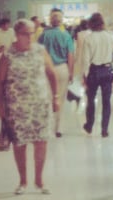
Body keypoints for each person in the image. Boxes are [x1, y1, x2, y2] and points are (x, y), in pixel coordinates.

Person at [0, 18, 59, 195]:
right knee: (20, 143)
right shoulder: (7, 55)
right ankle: (23, 180)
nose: (30, 37)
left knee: (41, 142)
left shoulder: (40, 51)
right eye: (26, 34)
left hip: (40, 105)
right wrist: (0, 107)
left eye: (32, 33)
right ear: (17, 35)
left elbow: (52, 74)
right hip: (17, 107)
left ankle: (39, 180)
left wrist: (56, 97)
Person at [79, 12, 113, 137]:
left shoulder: (89, 39)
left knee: (91, 100)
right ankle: (104, 129)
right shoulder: (110, 36)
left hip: (94, 71)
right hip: (107, 70)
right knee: (106, 101)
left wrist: (84, 76)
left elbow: (85, 60)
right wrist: (108, 61)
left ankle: (89, 125)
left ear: (91, 24)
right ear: (102, 23)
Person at [38, 8, 75, 138]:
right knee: (60, 99)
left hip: (47, 69)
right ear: (60, 21)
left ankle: (47, 127)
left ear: (50, 19)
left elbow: (39, 54)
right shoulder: (66, 36)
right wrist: (71, 72)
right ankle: (59, 128)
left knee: (47, 99)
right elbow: (70, 55)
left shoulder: (43, 35)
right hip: (62, 68)